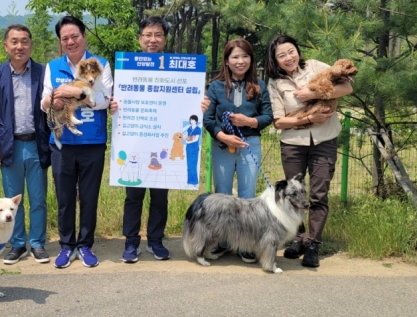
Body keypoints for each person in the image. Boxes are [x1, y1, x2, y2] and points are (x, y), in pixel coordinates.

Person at [114, 17, 211, 263]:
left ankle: (155, 241)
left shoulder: (178, 69)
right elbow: (114, 101)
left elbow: (188, 102)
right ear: (140, 38)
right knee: (133, 197)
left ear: (165, 39)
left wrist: (201, 105)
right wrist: (113, 105)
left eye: (158, 35)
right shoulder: (128, 68)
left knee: (160, 196)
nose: (152, 40)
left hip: (163, 145)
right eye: (148, 34)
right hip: (136, 143)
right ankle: (131, 241)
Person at [265, 34, 353, 267]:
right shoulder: (275, 83)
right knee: (294, 194)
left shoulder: (315, 66)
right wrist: (309, 118)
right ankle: (298, 239)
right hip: (293, 144)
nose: (288, 57)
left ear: (298, 51)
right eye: (281, 55)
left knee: (319, 194)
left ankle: (313, 244)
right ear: (275, 60)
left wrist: (312, 94)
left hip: (324, 141)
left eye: (291, 51)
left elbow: (346, 87)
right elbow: (278, 121)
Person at [41, 15, 113, 268]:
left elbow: (105, 100)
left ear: (84, 36)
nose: (70, 42)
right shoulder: (52, 66)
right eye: (65, 38)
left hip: (92, 143)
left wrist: (77, 93)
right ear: (60, 42)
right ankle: (66, 246)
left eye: (75, 36)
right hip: (61, 143)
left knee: (90, 198)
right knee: (65, 197)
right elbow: (44, 101)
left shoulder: (100, 64)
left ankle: (85, 245)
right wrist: (53, 101)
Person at [0, 24, 52, 265]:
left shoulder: (44, 73)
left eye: (24, 41)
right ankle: (18, 243)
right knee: (11, 202)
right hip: (8, 146)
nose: (19, 46)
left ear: (31, 44)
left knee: (38, 198)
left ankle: (38, 243)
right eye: (14, 41)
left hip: (37, 144)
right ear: (6, 46)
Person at [203, 38, 274, 264]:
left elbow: (268, 116)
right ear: (226, 60)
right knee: (222, 195)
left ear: (251, 59)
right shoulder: (215, 86)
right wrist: (221, 134)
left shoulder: (260, 85)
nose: (240, 61)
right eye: (235, 57)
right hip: (222, 146)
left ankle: (246, 244)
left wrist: (249, 121)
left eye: (245, 56)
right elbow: (208, 118)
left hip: (249, 145)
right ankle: (223, 241)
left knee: (247, 196)